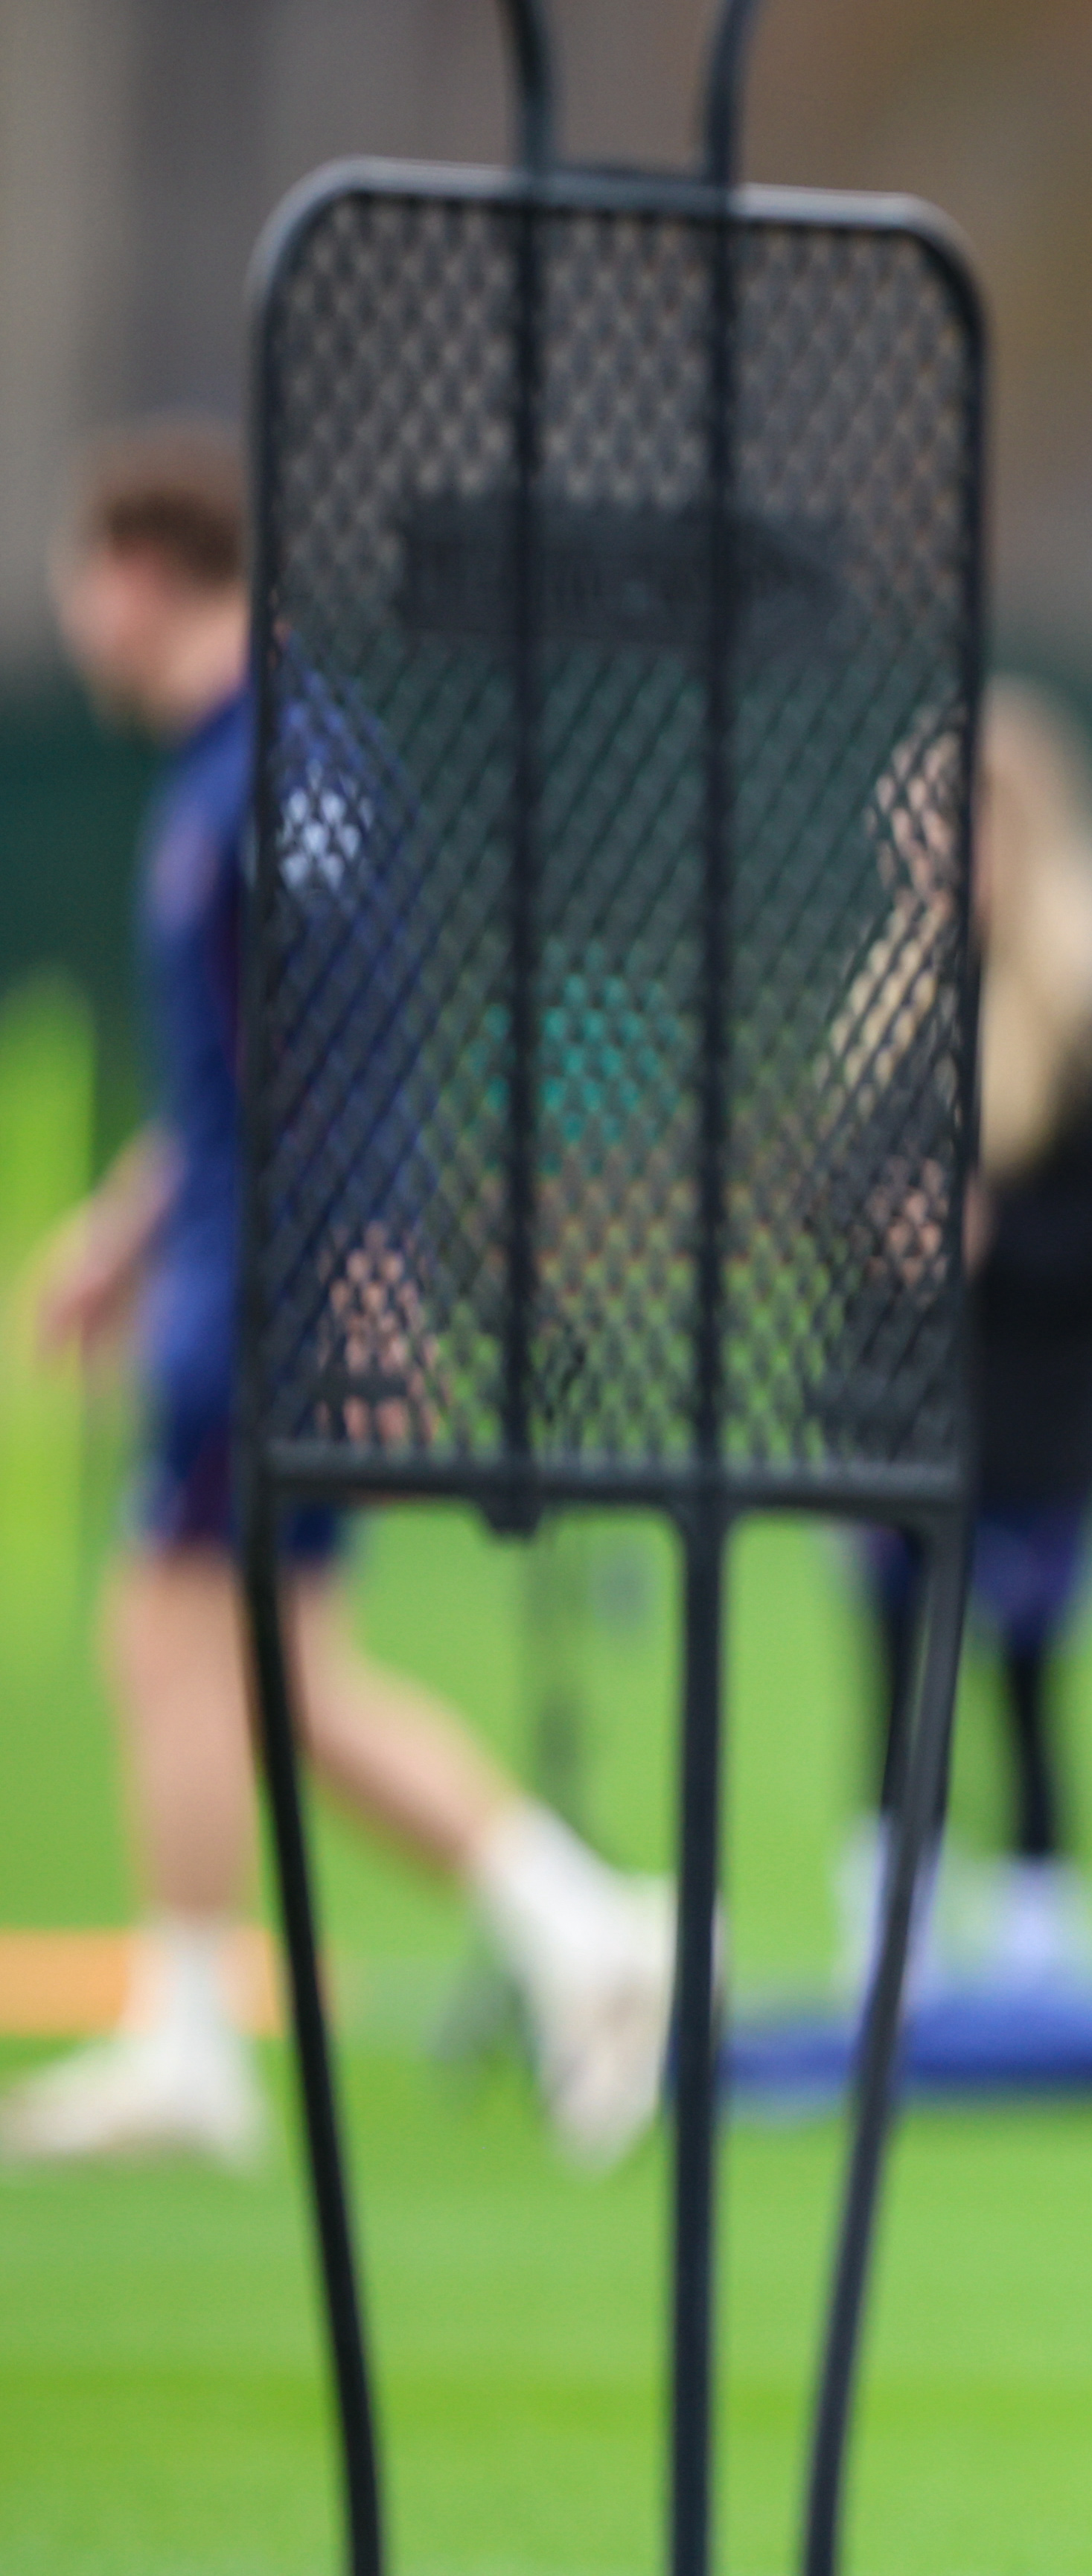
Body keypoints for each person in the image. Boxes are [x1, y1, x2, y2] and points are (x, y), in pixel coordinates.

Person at [7, 423, 672, 2172]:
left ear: (143, 572)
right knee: (269, 1678)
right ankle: (587, 1934)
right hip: (231, 1267)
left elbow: (352, 1054)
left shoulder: (292, 769)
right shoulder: (221, 768)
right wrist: (127, 1227)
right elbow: (245, 1073)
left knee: (175, 1643)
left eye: (81, 577)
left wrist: (373, 1291)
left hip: (276, 1295)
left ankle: (189, 2036)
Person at [835, 680, 1092, 1990]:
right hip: (903, 1403)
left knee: (1026, 1678)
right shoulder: (899, 997)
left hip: (1036, 1410)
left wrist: (996, 1240)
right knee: (891, 1671)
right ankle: (892, 1941)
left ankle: (1040, 1950)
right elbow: (836, 1185)